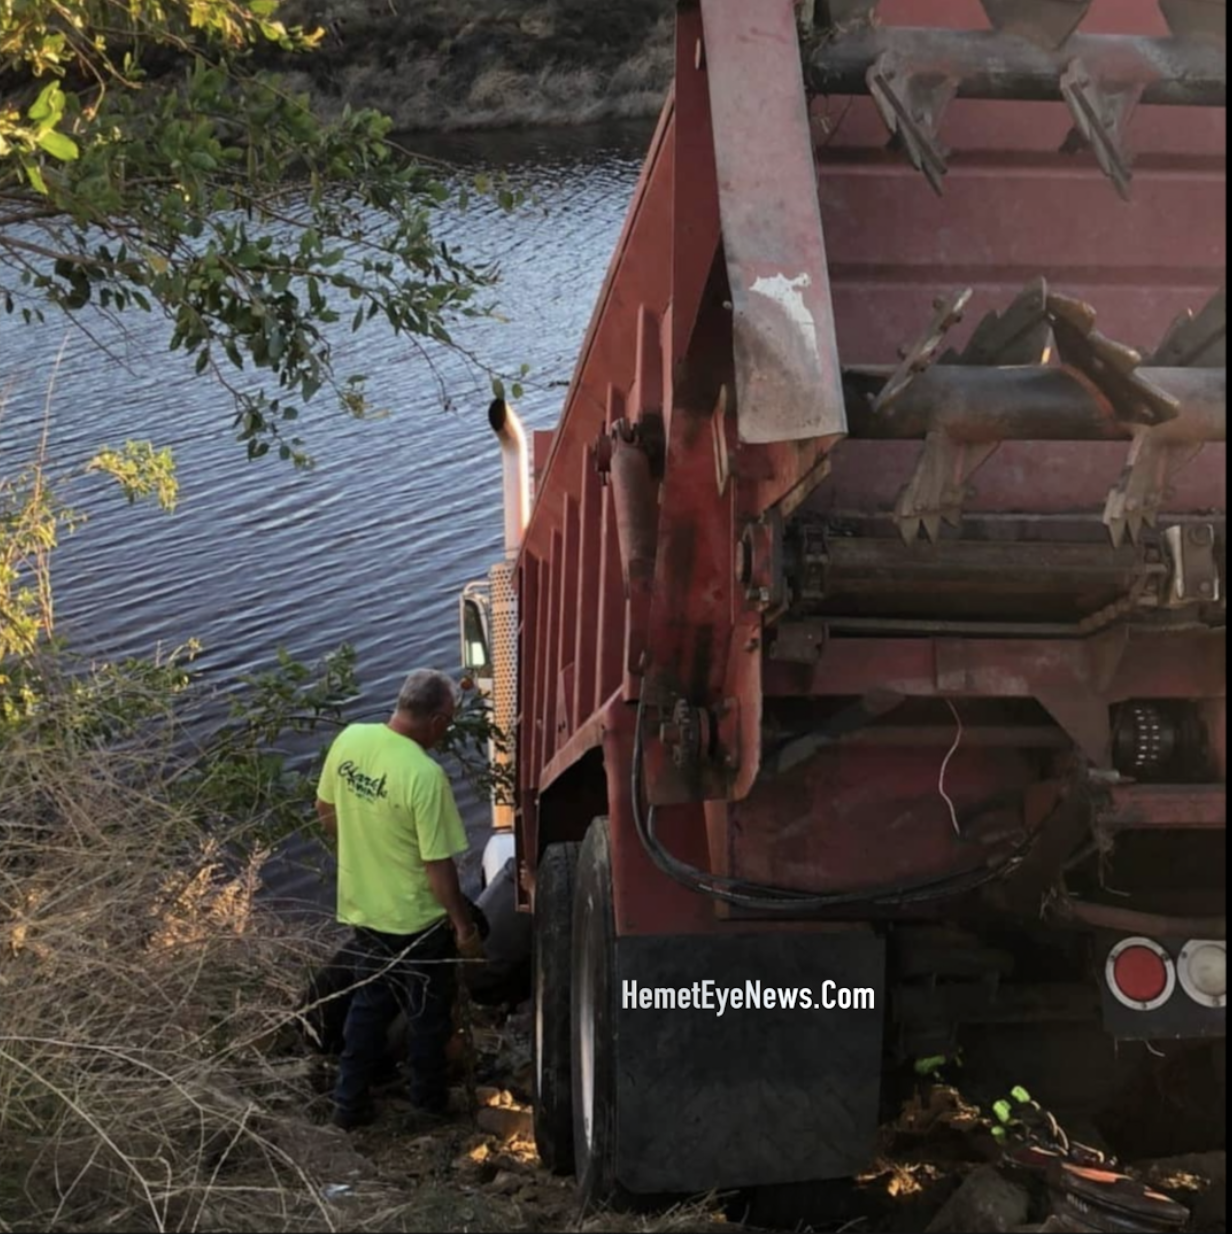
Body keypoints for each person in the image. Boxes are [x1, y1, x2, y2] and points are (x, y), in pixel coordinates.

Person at [315, 668, 484, 1130]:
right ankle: (427, 1107)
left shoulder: (351, 740)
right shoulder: (424, 776)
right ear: (435, 719)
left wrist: (364, 845)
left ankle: (349, 1105)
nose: (445, 732)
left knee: (369, 1008)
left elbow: (325, 810)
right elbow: (438, 867)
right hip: (418, 922)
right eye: (446, 723)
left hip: (365, 909)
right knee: (428, 1017)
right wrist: (463, 926)